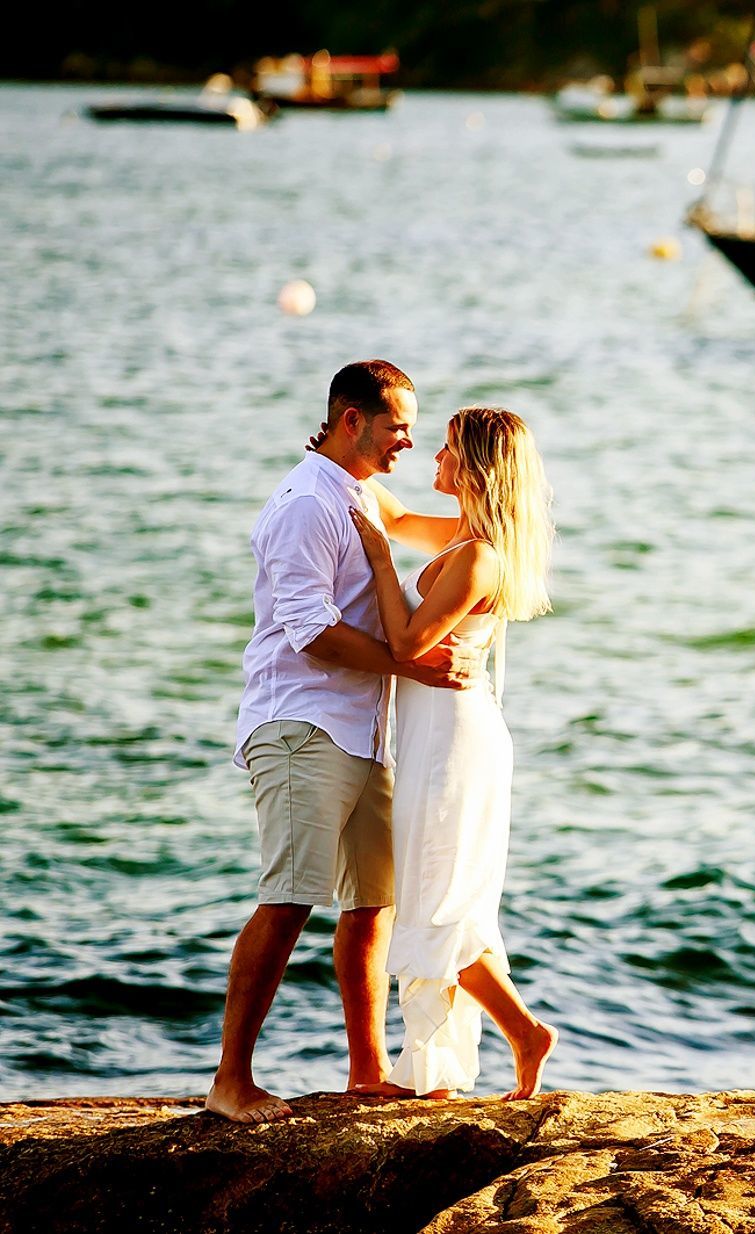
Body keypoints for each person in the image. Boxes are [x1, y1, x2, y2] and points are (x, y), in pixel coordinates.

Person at [209, 360, 475, 1124]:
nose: (408, 441)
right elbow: (312, 634)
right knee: (290, 897)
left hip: (364, 728)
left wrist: (506, 513)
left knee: (373, 904)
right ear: (351, 419)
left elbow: (435, 528)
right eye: (397, 426)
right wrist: (414, 662)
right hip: (301, 723)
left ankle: (367, 1068)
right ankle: (232, 1080)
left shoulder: (362, 492)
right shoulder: (304, 504)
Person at [347, 405, 558, 1099]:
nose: (431, 460)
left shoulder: (477, 558)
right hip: (443, 734)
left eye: (444, 450)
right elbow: (399, 516)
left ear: (472, 467)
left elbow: (408, 645)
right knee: (446, 900)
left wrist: (378, 559)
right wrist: (339, 456)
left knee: (436, 901)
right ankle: (439, 1068)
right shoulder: (464, 539)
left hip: (453, 744)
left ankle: (524, 1032)